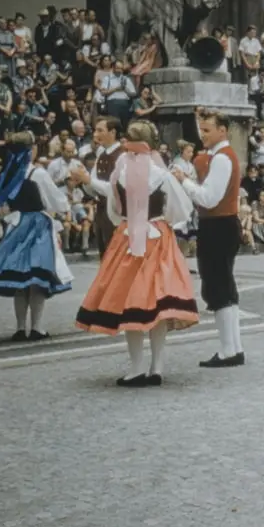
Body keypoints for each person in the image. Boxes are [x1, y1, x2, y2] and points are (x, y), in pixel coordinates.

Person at [74, 121, 200, 386]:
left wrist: (128, 223)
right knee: (156, 303)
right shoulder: (161, 174)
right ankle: (157, 366)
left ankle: (137, 367)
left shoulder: (120, 174)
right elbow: (181, 208)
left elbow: (114, 209)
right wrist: (164, 222)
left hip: (128, 236)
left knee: (130, 301)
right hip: (158, 237)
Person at [0, 131, 73, 341]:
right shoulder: (38, 173)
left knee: (20, 277)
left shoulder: (9, 173)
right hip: (36, 225)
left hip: (16, 225)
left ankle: (19, 327)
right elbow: (57, 202)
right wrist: (64, 206)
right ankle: (37, 327)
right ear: (30, 149)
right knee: (37, 275)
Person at [171, 109, 245, 368]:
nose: (203, 135)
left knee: (217, 285)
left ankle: (228, 351)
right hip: (221, 224)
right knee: (224, 284)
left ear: (222, 130)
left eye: (207, 130)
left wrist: (184, 182)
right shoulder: (219, 156)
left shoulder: (223, 158)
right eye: (202, 129)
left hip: (218, 224)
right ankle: (233, 347)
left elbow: (209, 198)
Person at [84, 116, 123, 255]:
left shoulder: (121, 155)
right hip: (101, 211)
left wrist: (89, 181)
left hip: (115, 213)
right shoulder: (101, 153)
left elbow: (115, 189)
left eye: (100, 130)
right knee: (104, 254)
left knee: (114, 254)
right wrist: (85, 181)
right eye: (95, 130)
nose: (96, 134)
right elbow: (92, 184)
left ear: (112, 132)